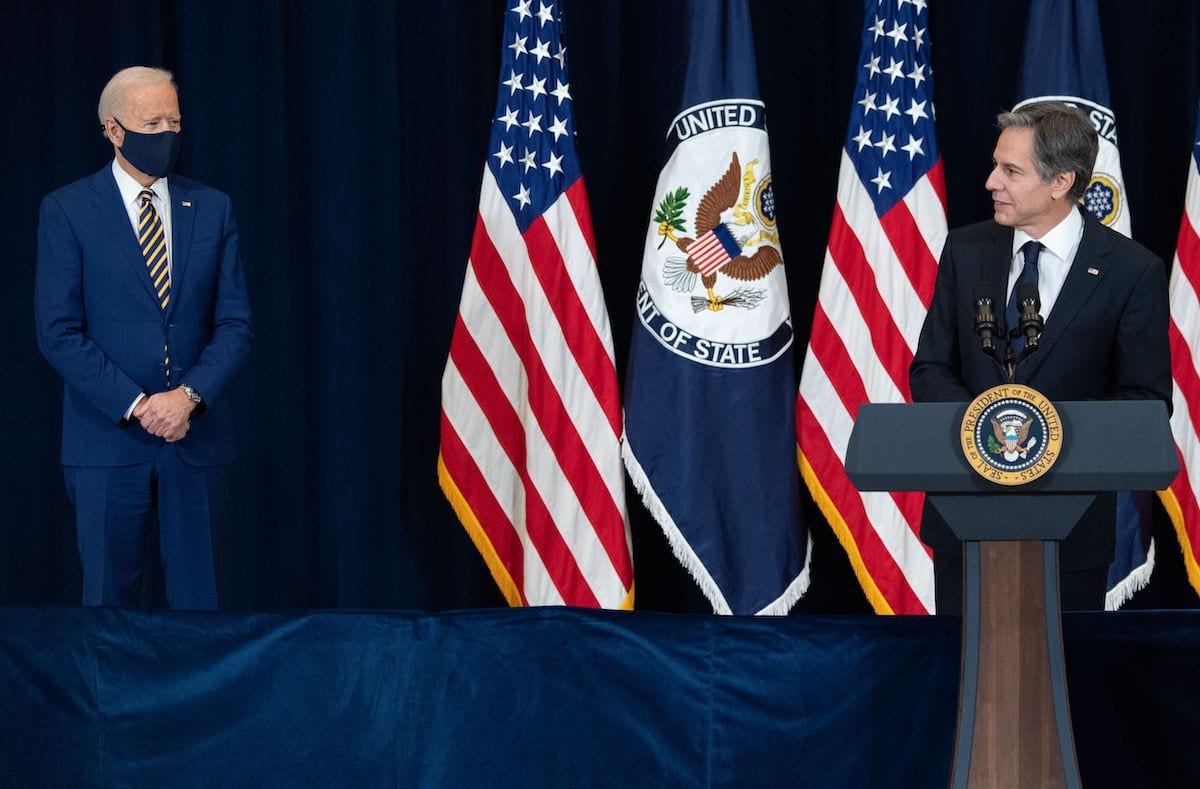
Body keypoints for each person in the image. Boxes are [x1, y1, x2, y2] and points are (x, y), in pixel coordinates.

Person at [909, 102, 1171, 614]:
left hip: (1069, 524)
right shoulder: (967, 249)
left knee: (1063, 674)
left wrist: (1044, 441)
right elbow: (931, 367)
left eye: (1011, 171)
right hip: (964, 514)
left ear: (1061, 182)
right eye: (995, 165)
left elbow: (1145, 400)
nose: (991, 182)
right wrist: (982, 435)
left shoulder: (1131, 271)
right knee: (963, 670)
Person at [34, 66, 253, 609]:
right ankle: (111, 699)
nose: (166, 133)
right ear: (113, 130)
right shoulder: (67, 210)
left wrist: (188, 398)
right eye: (150, 121)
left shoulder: (212, 206)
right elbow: (58, 331)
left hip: (194, 441)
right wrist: (138, 405)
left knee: (203, 611)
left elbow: (235, 324)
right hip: (106, 446)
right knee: (108, 610)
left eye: (174, 121)